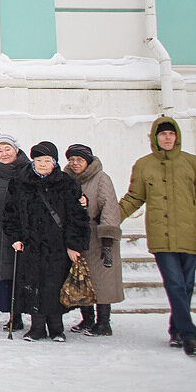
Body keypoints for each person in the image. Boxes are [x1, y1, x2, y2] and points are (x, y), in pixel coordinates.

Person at [118, 117, 196, 357]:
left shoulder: (193, 164)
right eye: (162, 134)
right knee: (174, 283)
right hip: (161, 236)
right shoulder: (144, 165)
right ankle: (189, 335)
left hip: (190, 235)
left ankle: (175, 328)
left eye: (171, 134)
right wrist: (110, 217)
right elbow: (133, 198)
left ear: (177, 136)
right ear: (155, 138)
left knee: (187, 286)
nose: (167, 138)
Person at [5, 141, 89, 342]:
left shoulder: (67, 183)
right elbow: (10, 213)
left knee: (54, 285)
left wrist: (74, 245)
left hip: (57, 246)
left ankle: (57, 328)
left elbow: (77, 217)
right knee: (33, 284)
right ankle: (37, 327)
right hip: (30, 244)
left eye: (47, 160)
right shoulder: (20, 182)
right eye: (39, 160)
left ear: (55, 162)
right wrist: (15, 238)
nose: (42, 164)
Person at [65, 143, 124, 336]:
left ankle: (104, 322)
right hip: (77, 237)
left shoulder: (101, 179)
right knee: (82, 278)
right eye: (71, 160)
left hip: (99, 237)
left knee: (102, 280)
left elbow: (109, 206)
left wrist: (107, 236)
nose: (74, 163)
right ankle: (87, 319)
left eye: (79, 160)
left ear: (88, 162)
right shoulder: (67, 179)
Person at [0, 135, 29, 330]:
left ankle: (28, 313)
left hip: (23, 232)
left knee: (23, 273)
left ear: (16, 150)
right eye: (0, 150)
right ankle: (14, 315)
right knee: (6, 275)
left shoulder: (28, 171)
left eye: (7, 149)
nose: (4, 154)